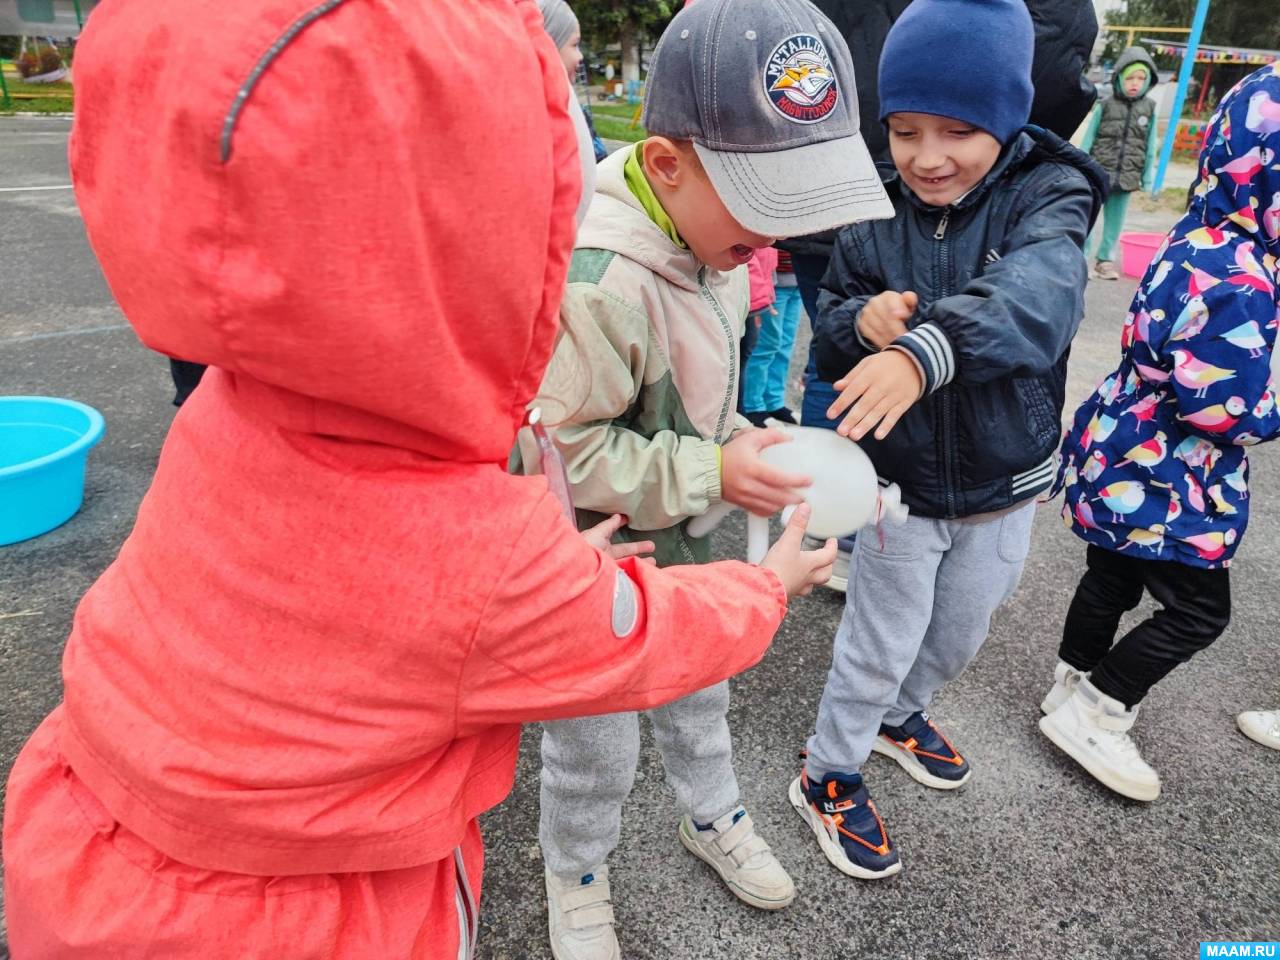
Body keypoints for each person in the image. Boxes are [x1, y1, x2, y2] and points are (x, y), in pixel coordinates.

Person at [0, 2, 835, 958]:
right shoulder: (479, 551)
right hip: (307, 922)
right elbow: (642, 636)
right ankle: (587, 873)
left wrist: (551, 556)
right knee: (602, 749)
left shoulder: (227, 414)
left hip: (83, 867)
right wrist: (766, 588)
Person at [514, 0, 891, 953]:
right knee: (592, 741)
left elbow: (702, 397)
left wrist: (742, 448)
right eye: (766, 208)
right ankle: (578, 869)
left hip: (683, 538)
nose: (773, 243)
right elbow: (565, 452)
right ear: (670, 165)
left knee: (702, 693)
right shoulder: (601, 279)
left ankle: (712, 814)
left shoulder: (711, 245)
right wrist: (711, 463)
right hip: (596, 564)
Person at [792, 0, 1105, 880]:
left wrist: (925, 350)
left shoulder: (1050, 189)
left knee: (964, 627)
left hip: (1006, 476)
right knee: (878, 637)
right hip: (901, 482)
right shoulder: (870, 205)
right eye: (904, 131)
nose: (928, 157)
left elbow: (1040, 297)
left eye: (959, 131)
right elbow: (831, 319)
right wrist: (865, 321)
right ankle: (829, 770)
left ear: (1007, 119)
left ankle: (901, 715)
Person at [1043, 64, 1280, 802]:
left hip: (1120, 440)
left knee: (1110, 572)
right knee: (1201, 611)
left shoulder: (1196, 234)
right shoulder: (1247, 276)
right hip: (1172, 472)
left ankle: (1071, 680)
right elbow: (1220, 409)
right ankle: (1098, 709)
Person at [1079, 46, 1161, 280]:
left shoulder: (1150, 108)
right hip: (1099, 172)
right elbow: (1089, 137)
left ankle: (1104, 261)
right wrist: (1081, 166)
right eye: (1130, 77)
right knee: (1088, 217)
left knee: (1115, 223)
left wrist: (1147, 177)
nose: (1135, 83)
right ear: (1120, 78)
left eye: (1141, 78)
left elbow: (1150, 145)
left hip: (1127, 175)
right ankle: (1081, 258)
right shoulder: (1105, 105)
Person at [743, 247, 803, 426]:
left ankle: (774, 402)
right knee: (767, 345)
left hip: (797, 278)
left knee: (785, 344)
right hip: (771, 282)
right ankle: (753, 406)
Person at [741, 246, 780, 420]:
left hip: (760, 286)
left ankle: (742, 414)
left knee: (763, 347)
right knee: (741, 357)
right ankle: (747, 410)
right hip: (748, 290)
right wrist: (759, 300)